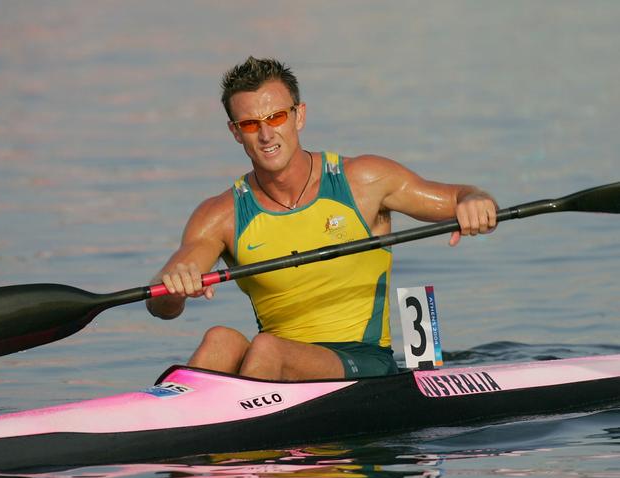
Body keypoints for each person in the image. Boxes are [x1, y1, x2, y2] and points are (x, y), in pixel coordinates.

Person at [146, 56, 498, 381]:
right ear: (235, 132)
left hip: (365, 363)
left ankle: (228, 442)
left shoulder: (364, 181)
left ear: (299, 116)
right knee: (220, 339)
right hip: (273, 366)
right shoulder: (219, 215)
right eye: (251, 124)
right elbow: (161, 303)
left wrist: (475, 201)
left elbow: (458, 197)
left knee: (267, 347)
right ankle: (163, 424)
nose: (266, 134)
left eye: (276, 118)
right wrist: (174, 287)